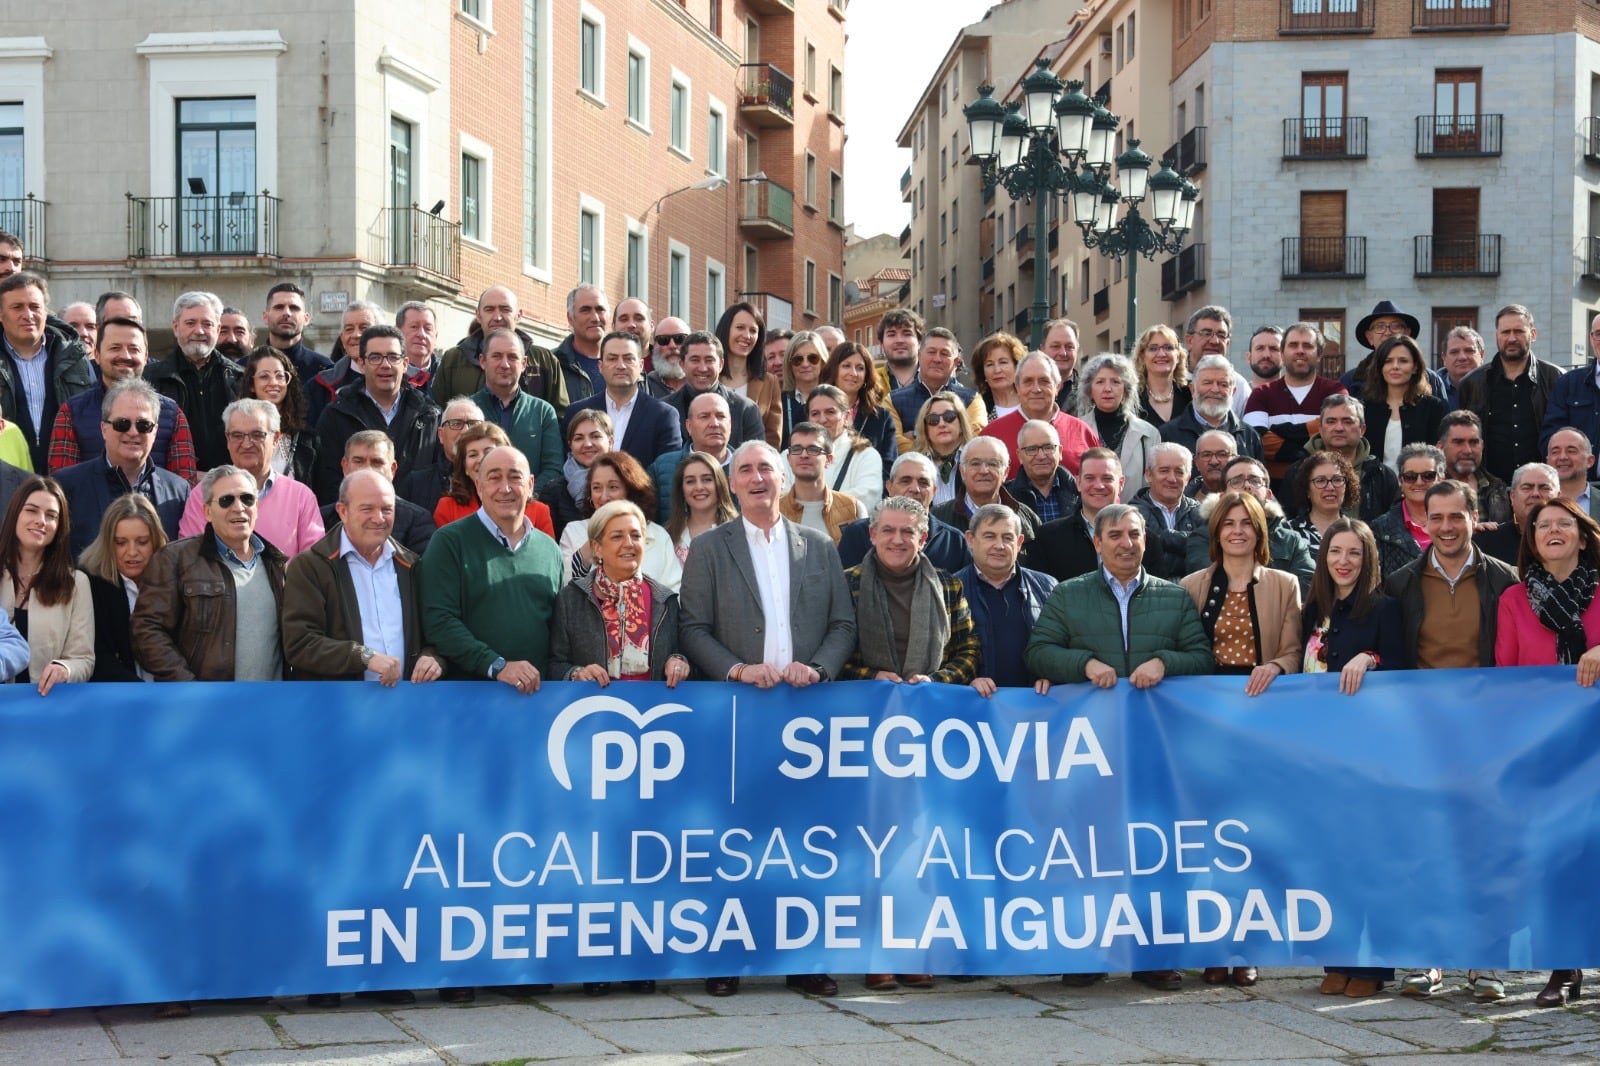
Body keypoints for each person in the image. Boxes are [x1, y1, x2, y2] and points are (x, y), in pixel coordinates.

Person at [677, 440, 855, 999]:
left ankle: (804, 959)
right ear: (732, 483)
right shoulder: (708, 548)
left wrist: (820, 669)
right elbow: (692, 628)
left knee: (802, 843)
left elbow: (842, 625)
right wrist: (735, 670)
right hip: (738, 716)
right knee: (733, 842)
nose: (757, 479)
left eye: (765, 470)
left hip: (805, 718)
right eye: (745, 470)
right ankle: (727, 957)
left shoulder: (820, 545)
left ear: (783, 479)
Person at [1024, 502, 1212, 993]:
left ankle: (1155, 957)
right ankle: (1089, 952)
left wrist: (1164, 662)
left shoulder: (1173, 598)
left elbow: (1201, 657)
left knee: (1153, 851)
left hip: (1155, 750)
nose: (1127, 543)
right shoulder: (1068, 595)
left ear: (1146, 541)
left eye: (1135, 534)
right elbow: (1038, 652)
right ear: (1097, 543)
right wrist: (1083, 663)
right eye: (1116, 535)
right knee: (1093, 851)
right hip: (1091, 751)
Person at [1384, 477, 1518, 1001]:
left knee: (1485, 848)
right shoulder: (1401, 583)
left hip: (1486, 736)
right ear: (1424, 520)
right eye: (1434, 517)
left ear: (1473, 518)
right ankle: (1427, 955)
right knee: (1424, 845)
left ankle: (1486, 962)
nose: (1445, 527)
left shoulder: (1506, 580)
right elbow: (1385, 648)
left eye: (1455, 517)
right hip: (1421, 737)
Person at [1179, 490, 1301, 988]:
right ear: (1216, 533)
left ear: (1259, 532)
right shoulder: (1190, 585)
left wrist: (1275, 664)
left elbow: (1295, 649)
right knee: (1209, 839)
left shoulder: (1284, 584)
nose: (1236, 530)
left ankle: (1249, 945)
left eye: (1245, 523)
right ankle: (1214, 945)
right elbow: (1182, 649)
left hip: (1260, 718)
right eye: (1227, 523)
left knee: (1250, 838)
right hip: (1206, 721)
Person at [1302, 517, 1407, 999]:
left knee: (1369, 861)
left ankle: (1374, 965)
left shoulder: (1385, 609)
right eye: (1335, 552)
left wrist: (1373, 658)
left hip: (1369, 757)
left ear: (1368, 561)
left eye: (1354, 554)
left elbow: (1405, 670)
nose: (1344, 562)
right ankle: (1338, 958)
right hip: (1320, 756)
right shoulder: (1314, 611)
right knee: (1329, 861)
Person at [282, 467, 443, 685]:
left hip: (404, 701)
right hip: (340, 706)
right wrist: (364, 657)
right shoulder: (310, 566)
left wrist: (433, 658)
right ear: (342, 511)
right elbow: (300, 644)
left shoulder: (412, 566)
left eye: (387, 509)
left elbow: (435, 632)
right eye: (367, 509)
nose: (378, 518)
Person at [132, 464, 289, 682]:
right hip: (202, 706)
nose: (239, 507)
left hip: (268, 703)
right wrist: (189, 686)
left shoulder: (277, 563)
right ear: (207, 511)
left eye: (247, 499)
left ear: (257, 508)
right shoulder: (175, 559)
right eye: (227, 500)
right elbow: (147, 631)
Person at [421, 445, 564, 685]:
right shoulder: (449, 542)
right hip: (469, 700)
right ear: (479, 486)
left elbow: (559, 632)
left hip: (536, 700)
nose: (505, 488)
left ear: (530, 485)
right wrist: (496, 666)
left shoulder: (549, 549)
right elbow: (439, 622)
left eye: (515, 477)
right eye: (494, 478)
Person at [549, 497, 691, 699]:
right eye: (617, 537)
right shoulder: (571, 599)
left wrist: (678, 662)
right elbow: (555, 665)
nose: (629, 544)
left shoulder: (664, 600)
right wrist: (577, 674)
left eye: (636, 535)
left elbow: (680, 652)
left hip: (652, 715)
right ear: (597, 547)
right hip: (592, 715)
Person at [839, 495, 980, 691]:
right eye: (888, 530)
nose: (897, 540)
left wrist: (935, 681)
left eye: (907, 532)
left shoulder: (948, 585)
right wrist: (871, 678)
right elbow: (831, 653)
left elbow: (969, 650)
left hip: (930, 705)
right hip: (863, 707)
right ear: (873, 535)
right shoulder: (845, 584)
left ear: (922, 539)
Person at [48, 316, 198, 483]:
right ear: (96, 355)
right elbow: (61, 486)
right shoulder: (72, 412)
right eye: (115, 348)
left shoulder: (172, 414)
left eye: (134, 349)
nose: (125, 356)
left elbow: (184, 488)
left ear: (146, 357)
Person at [54, 378, 189, 555]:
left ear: (155, 431)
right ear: (104, 429)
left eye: (143, 425)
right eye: (122, 424)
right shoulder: (66, 486)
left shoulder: (178, 491)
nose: (133, 432)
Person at [312, 323, 441, 504]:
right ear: (362, 364)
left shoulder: (430, 416)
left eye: (393, 357)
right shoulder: (336, 415)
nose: (385, 365)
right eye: (375, 357)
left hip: (418, 526)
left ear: (405, 364)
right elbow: (327, 483)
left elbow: (437, 479)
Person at [178, 400, 325, 556]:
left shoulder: (301, 497)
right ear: (227, 439)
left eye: (257, 435)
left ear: (276, 438)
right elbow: (190, 557)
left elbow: (314, 564)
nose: (246, 444)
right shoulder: (204, 493)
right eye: (237, 435)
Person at [0, 476, 93, 692]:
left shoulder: (76, 584)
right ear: (15, 514)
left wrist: (65, 669)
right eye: (32, 510)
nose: (41, 520)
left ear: (59, 526)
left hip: (45, 708)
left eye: (51, 516)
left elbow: (83, 659)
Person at [957, 503, 1056, 698]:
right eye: (989, 536)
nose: (999, 546)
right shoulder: (950, 591)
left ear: (1019, 543)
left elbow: (1061, 645)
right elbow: (938, 656)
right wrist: (967, 680)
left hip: (1034, 709)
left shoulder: (1047, 587)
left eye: (1007, 537)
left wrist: (1053, 676)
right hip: (973, 712)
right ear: (970, 539)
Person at [1458, 304, 1565, 483]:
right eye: (1505, 332)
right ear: (1496, 336)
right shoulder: (1471, 383)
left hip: (1543, 487)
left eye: (1519, 331)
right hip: (1489, 488)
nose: (1512, 338)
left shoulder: (1556, 379)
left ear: (1533, 334)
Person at [0, 272, 95, 473]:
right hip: (8, 479)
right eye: (17, 307)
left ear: (45, 312)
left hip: (68, 475)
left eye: (35, 307)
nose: (28, 315)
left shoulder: (75, 358)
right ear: (1, 314)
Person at [432, 286, 568, 417]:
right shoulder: (453, 359)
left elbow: (561, 417)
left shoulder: (544, 360)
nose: (497, 317)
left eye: (505, 309)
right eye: (489, 309)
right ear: (478, 315)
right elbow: (439, 414)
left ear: (518, 315)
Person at [145, 291, 242, 471]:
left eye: (207, 324)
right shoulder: (151, 379)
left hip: (230, 482)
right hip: (172, 482)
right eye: (190, 323)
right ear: (175, 327)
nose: (199, 331)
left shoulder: (239, 378)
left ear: (218, 329)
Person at [558, 450, 681, 591]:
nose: (604, 497)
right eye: (597, 488)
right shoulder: (574, 532)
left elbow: (674, 592)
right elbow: (567, 588)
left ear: (630, 490)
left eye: (613, 487)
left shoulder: (657, 535)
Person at [1187, 456, 1315, 591]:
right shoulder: (1203, 537)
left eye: (1255, 481)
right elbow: (1208, 582)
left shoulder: (1291, 540)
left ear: (1269, 495)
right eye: (1236, 481)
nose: (1247, 486)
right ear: (1222, 496)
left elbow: (1308, 585)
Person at [1242, 322, 1346, 486]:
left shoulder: (1335, 391)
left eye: (1307, 345)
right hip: (1274, 489)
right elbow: (1256, 440)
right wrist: (1311, 440)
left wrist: (1279, 430)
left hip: (1325, 486)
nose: (1300, 350)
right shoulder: (1261, 394)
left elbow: (1339, 434)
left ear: (1319, 355)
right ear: (1283, 354)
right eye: (1293, 345)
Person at [561, 330, 681, 469]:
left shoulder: (663, 415)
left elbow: (668, 473)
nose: (620, 366)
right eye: (612, 359)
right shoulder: (576, 412)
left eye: (628, 358)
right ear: (600, 366)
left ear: (641, 365)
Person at [79, 494, 167, 682]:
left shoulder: (174, 578)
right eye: (121, 543)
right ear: (108, 544)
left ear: (156, 541)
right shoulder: (89, 584)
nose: (132, 551)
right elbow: (97, 657)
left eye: (142, 542)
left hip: (170, 696)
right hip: (116, 698)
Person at [837, 452, 972, 573]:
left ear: (934, 492)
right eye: (905, 481)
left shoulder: (953, 541)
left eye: (923, 482)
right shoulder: (858, 534)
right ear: (889, 487)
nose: (914, 489)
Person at [470, 327, 563, 490]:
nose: (505, 364)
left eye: (512, 357)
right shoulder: (468, 410)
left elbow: (553, 469)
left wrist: (525, 497)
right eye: (497, 356)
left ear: (524, 363)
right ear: (483, 361)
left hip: (530, 507)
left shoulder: (543, 412)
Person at [982, 352, 1099, 479]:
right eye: (1028, 381)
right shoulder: (991, 435)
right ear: (1017, 387)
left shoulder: (1082, 432)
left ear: (1057, 387)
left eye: (1044, 381)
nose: (1036, 389)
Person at [316, 431, 436, 555]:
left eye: (377, 462)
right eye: (359, 461)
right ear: (345, 466)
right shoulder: (320, 519)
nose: (367, 469)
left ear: (392, 469)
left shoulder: (417, 521)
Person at [1282, 395, 1399, 522]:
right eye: (1331, 421)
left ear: (1362, 429)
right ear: (1320, 429)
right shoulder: (1298, 472)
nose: (1339, 428)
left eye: (1347, 421)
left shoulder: (1382, 475)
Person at [434, 421, 556, 537]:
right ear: (464, 467)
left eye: (489, 452)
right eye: (473, 455)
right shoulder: (447, 507)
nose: (481, 460)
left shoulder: (539, 511)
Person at [1029, 448, 1126, 582]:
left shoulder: (1143, 538)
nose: (1098, 486)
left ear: (1121, 484)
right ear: (1078, 483)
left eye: (1107, 478)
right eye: (1090, 478)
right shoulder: (1048, 537)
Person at [1075, 353, 1158, 501]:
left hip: (1135, 518)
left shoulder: (1149, 434)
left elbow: (1154, 484)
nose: (1107, 389)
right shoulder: (1076, 430)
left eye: (1115, 382)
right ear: (1089, 390)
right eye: (1100, 382)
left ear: (1126, 389)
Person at [663, 332, 766, 450]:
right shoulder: (664, 410)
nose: (702, 368)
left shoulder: (746, 410)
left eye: (709, 360)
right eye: (695, 360)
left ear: (721, 364)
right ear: (682, 364)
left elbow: (757, 458)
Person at [889, 328, 985, 453]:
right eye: (931, 352)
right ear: (919, 356)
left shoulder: (972, 400)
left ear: (955, 363)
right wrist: (949, 441)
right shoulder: (893, 401)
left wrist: (916, 435)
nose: (937, 359)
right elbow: (895, 444)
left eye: (944, 353)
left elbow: (975, 442)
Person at [929, 435, 1040, 540]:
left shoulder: (1026, 518)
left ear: (1006, 472)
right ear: (962, 472)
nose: (983, 471)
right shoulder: (937, 518)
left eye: (992, 464)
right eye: (975, 463)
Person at [1363, 335, 1445, 470]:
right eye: (1388, 361)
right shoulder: (1366, 407)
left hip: (1420, 486)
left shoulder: (1433, 408)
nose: (1395, 366)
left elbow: (1438, 457)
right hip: (1375, 488)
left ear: (1415, 367)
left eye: (1403, 361)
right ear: (1380, 367)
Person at [1159, 354, 1263, 461]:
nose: (1215, 390)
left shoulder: (1250, 437)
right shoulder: (1168, 435)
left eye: (1223, 384)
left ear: (1233, 392)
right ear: (1193, 389)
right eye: (1207, 383)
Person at [819, 341, 898, 479]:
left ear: (867, 376)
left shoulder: (881, 418)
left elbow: (888, 468)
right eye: (846, 366)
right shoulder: (812, 411)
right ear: (834, 370)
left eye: (860, 368)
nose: (853, 373)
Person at [1342, 300, 1448, 401]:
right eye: (1380, 327)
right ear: (1370, 337)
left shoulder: (1431, 379)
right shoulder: (1350, 381)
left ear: (1407, 333)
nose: (1388, 332)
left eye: (1396, 326)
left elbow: (1444, 419)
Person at [779, 422, 865, 544]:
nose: (804, 455)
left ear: (829, 459)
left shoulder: (854, 508)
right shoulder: (773, 510)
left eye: (813, 449)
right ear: (789, 459)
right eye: (796, 449)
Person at [239, 347, 316, 483]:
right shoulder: (235, 434)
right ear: (252, 384)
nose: (273, 382)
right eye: (264, 376)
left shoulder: (307, 437)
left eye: (280, 376)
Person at [650, 390, 734, 513]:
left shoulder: (746, 467)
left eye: (720, 416)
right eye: (704, 417)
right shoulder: (661, 469)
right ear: (689, 427)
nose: (714, 424)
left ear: (730, 424)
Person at [1369, 443, 1446, 577]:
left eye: (1428, 475)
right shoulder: (1379, 529)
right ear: (1401, 481)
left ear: (1441, 479)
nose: (1419, 482)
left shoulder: (1461, 524)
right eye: (1410, 476)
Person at [805, 384, 883, 513]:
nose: (822, 419)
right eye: (815, 414)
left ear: (847, 417)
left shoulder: (866, 456)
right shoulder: (791, 456)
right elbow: (781, 500)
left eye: (830, 412)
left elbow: (866, 500)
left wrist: (810, 505)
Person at [714, 301, 782, 447]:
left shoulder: (769, 382)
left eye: (753, 330)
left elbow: (773, 439)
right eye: (740, 328)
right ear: (726, 330)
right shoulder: (709, 376)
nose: (747, 335)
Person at [397, 396, 482, 511]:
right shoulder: (415, 484)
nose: (465, 431)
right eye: (456, 424)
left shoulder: (497, 481)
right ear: (441, 435)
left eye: (473, 424)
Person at [1132, 442, 1202, 580]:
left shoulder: (1202, 513)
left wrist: (1163, 539)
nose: (1172, 478)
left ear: (1188, 477)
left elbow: (1207, 555)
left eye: (1179, 472)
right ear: (1149, 475)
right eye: (1164, 470)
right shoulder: (1132, 515)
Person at [542, 408, 614, 532]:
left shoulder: (628, 483)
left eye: (595, 436)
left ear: (610, 441)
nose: (587, 444)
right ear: (570, 445)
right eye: (579, 438)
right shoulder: (553, 492)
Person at [261, 282, 334, 403]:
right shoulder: (246, 368)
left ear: (306, 319)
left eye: (294, 308)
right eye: (279, 307)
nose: (287, 313)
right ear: (265, 317)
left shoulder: (325, 370)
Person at [1476, 461, 1559, 566]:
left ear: (1559, 496)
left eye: (1544, 488)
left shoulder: (1573, 539)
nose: (1535, 494)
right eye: (1527, 488)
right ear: (1512, 497)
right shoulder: (1485, 542)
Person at [1437, 410, 1510, 526]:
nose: (1467, 450)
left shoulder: (1497, 488)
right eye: (1458, 442)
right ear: (1440, 447)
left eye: (1473, 442)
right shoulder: (1428, 487)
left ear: (1482, 446)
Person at [665, 451, 737, 564]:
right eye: (690, 481)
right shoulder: (667, 536)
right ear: (682, 489)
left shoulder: (740, 530)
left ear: (720, 485)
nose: (699, 487)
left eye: (707, 479)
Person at [1005, 420, 1080, 523]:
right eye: (1032, 449)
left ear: (1060, 452)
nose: (1041, 456)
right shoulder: (1006, 497)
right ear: (1019, 456)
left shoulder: (1080, 492)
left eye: (1048, 447)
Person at [1184, 305, 1252, 419]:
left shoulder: (1239, 385)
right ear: (1189, 340)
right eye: (1206, 333)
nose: (1215, 341)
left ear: (1228, 343)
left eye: (1221, 335)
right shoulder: (1172, 380)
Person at [1288, 450, 1360, 554]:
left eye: (1337, 479)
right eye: (1320, 480)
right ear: (1307, 490)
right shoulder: (1288, 532)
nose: (1330, 487)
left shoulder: (1359, 533)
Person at [909, 392, 973, 506]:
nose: (941, 424)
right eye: (933, 420)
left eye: (949, 417)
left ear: (961, 423)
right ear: (925, 429)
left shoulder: (975, 460)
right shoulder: (913, 465)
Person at [552, 284, 608, 405]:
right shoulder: (553, 364)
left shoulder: (626, 363)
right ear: (570, 318)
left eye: (600, 309)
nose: (595, 318)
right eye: (585, 310)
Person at [1133, 324, 1190, 428]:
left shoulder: (1189, 396)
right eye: (1153, 348)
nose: (1161, 354)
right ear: (1142, 356)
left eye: (1168, 347)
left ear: (1178, 356)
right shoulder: (1132, 399)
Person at [780, 331, 829, 445]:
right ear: (790, 365)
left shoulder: (835, 400)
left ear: (822, 361)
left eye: (813, 358)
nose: (805, 364)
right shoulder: (779, 403)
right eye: (798, 360)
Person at [972, 331, 1024, 419]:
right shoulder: (976, 408)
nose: (997, 370)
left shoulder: (1031, 403)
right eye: (990, 364)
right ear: (982, 372)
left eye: (1003, 362)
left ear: (1017, 366)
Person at [1547, 428, 1598, 515]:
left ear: (1590, 461)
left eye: (1571, 451)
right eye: (1555, 452)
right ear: (1548, 461)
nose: (1562, 457)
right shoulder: (1537, 502)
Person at [875, 308, 925, 393]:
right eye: (891, 334)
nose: (899, 340)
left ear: (919, 342)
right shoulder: (870, 382)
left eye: (907, 334)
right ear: (881, 344)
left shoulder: (936, 380)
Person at [642, 315, 691, 398]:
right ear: (654, 346)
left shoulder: (704, 386)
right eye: (663, 340)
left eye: (680, 339)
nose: (672, 345)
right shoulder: (642, 389)